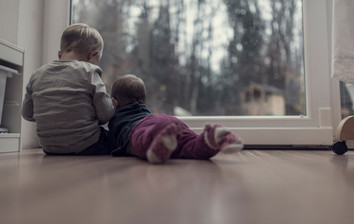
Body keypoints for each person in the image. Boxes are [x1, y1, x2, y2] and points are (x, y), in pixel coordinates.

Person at [22, 23, 115, 155]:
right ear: (93, 55)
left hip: (49, 147)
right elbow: (105, 115)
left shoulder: (37, 74)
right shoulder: (90, 71)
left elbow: (27, 114)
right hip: (88, 145)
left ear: (60, 54)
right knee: (118, 136)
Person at [108, 74, 243, 164]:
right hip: (171, 121)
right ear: (144, 100)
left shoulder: (118, 118)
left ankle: (161, 140)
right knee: (191, 145)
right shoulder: (146, 112)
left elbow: (109, 142)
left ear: (115, 102)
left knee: (142, 140)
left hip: (146, 127)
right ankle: (211, 136)